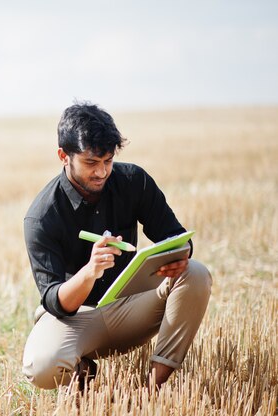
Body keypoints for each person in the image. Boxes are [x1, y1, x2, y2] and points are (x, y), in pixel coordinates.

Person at [22, 102, 212, 390]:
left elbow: (175, 236)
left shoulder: (134, 181)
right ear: (64, 156)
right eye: (91, 163)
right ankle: (81, 368)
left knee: (196, 273)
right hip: (76, 319)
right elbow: (56, 302)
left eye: (108, 161)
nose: (101, 172)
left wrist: (179, 255)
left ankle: (153, 388)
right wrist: (90, 271)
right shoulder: (41, 217)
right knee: (42, 368)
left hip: (131, 309)